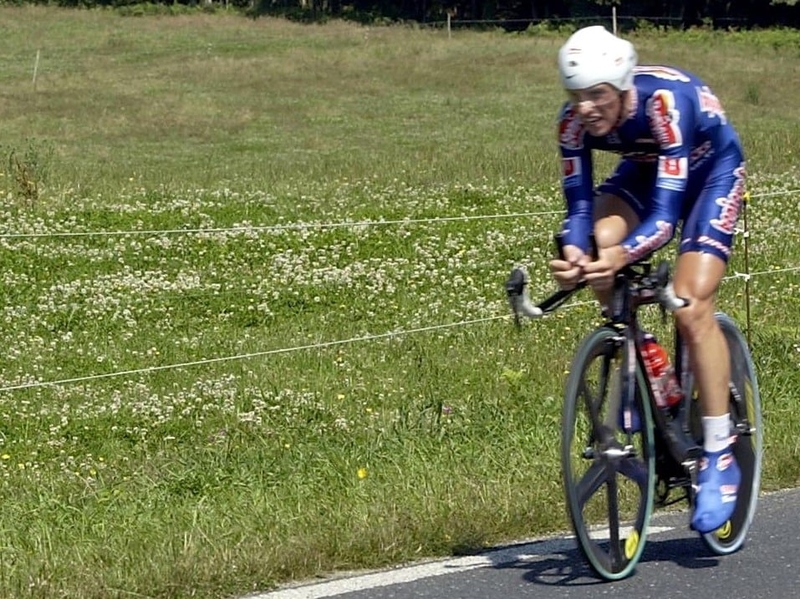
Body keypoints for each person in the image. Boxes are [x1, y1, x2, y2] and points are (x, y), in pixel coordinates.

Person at [550, 25, 745, 534]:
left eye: (598, 96)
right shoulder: (572, 124)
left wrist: (619, 255)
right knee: (597, 242)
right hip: (647, 169)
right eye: (577, 96)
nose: (587, 108)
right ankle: (634, 352)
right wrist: (578, 252)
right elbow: (580, 207)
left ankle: (720, 453)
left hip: (708, 172)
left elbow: (663, 221)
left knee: (689, 302)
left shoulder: (663, 105)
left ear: (621, 86)